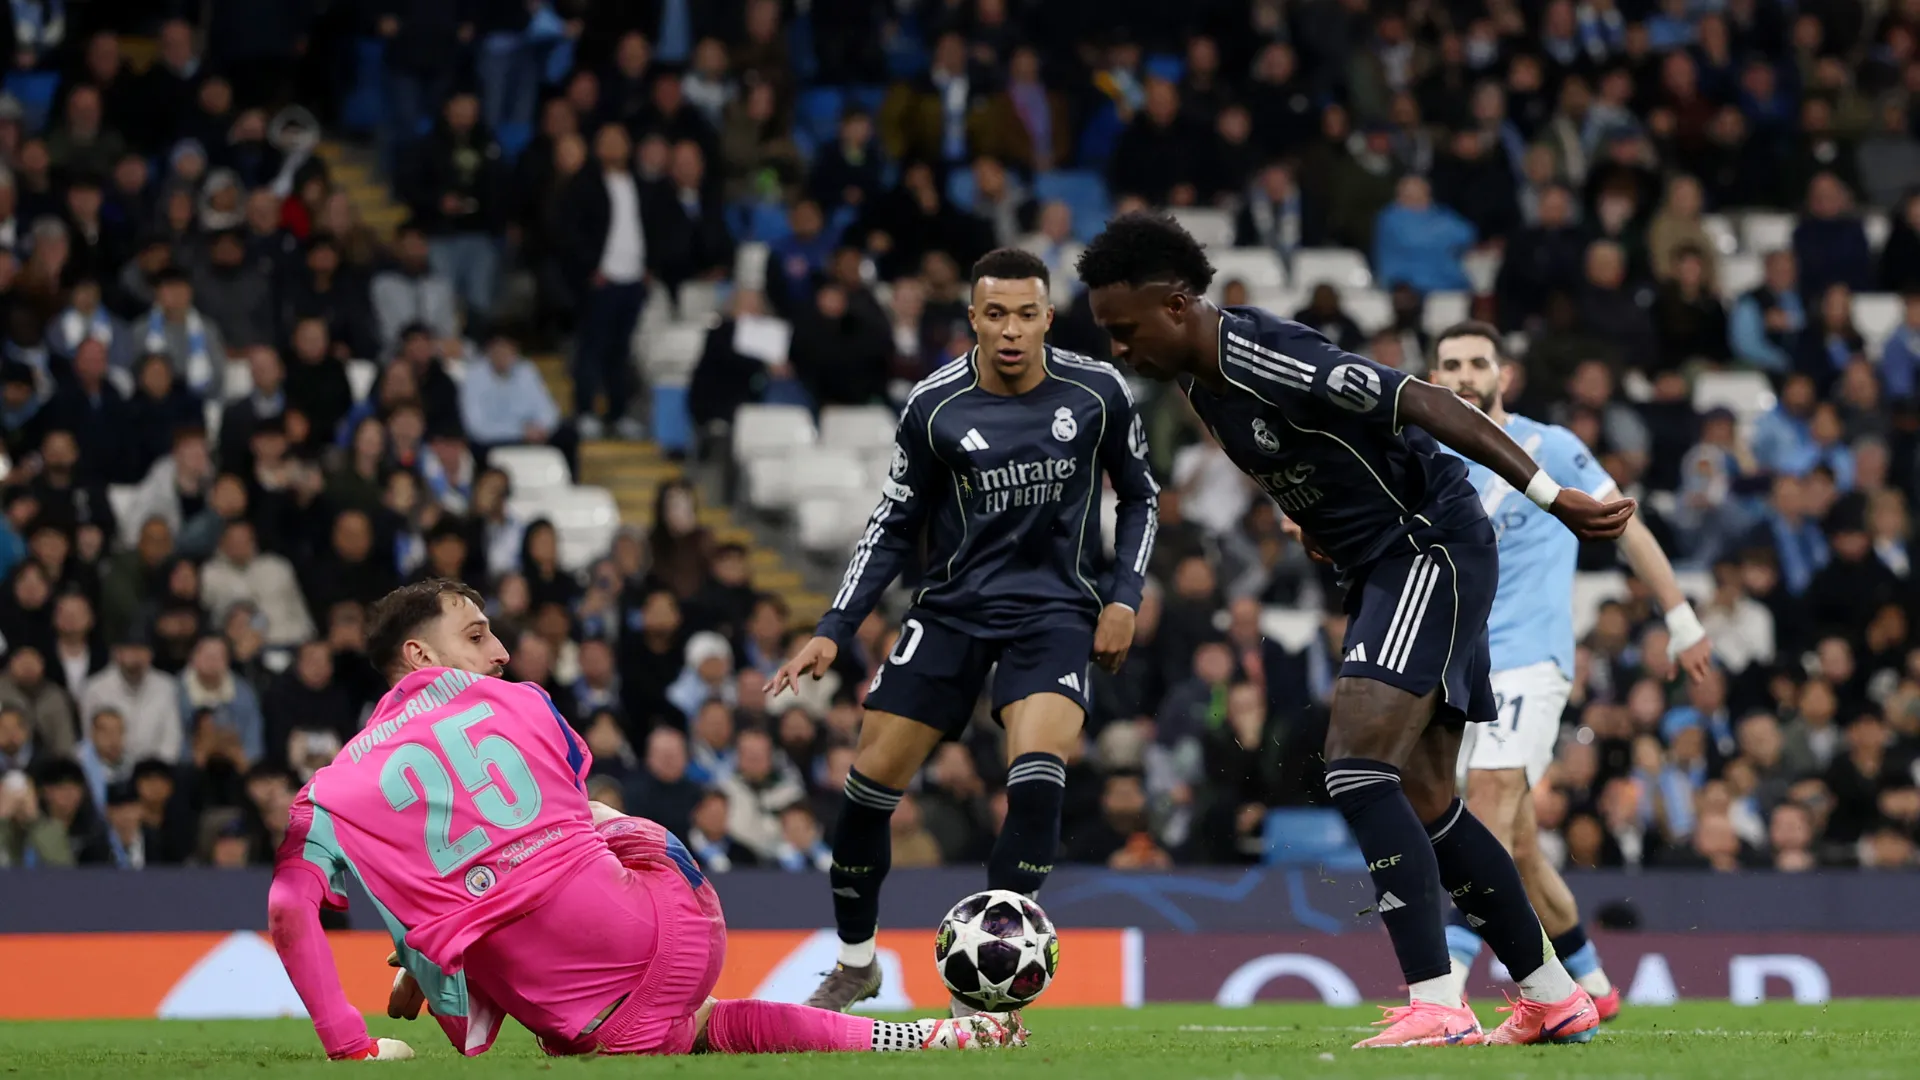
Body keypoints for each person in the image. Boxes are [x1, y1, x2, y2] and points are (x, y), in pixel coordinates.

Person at [1077, 213, 1631, 1049]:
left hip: (1425, 545)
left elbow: (1424, 400)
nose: (1118, 348)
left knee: (1355, 766)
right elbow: (1298, 460)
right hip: (1384, 559)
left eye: (1126, 330)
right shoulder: (1194, 383)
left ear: (1179, 305)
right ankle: (1553, 995)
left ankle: (1438, 1000)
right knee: (1430, 799)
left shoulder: (1265, 355)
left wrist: (1553, 496)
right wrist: (1318, 521)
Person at [268, 579, 1024, 1062]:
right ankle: (936, 1034)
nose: (500, 651)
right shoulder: (524, 703)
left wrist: (352, 1040)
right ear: (418, 651)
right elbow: (558, 821)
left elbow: (287, 907)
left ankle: (434, 959)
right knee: (594, 825)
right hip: (675, 923)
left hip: (578, 1009)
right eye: (475, 636)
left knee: (510, 887)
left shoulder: (335, 786)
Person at [769, 247, 1160, 1014]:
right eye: (994, 314)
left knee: (1037, 775)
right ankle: (856, 963)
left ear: (1048, 317)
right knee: (866, 785)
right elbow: (892, 525)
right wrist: (835, 626)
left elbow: (1142, 496)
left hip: (1055, 613)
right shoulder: (934, 405)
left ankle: (987, 994)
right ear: (972, 319)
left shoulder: (1098, 391)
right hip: (950, 611)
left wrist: (1125, 599)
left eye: (1025, 314)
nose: (1010, 330)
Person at [1425, 321, 1716, 1021]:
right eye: (1450, 365)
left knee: (1487, 812)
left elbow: (1627, 523)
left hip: (1530, 661)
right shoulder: (1425, 452)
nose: (1464, 375)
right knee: (1519, 847)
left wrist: (1680, 619)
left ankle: (1445, 993)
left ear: (1505, 375)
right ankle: (1594, 986)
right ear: (1433, 379)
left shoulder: (1548, 446)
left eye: (1477, 363)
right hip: (1455, 667)